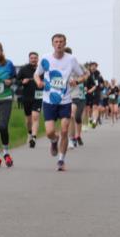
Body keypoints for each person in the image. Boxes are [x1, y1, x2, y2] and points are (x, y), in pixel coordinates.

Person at [34, 34, 85, 171]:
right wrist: (38, 81)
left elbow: (84, 75)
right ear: (52, 44)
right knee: (50, 132)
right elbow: (36, 74)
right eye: (56, 42)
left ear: (65, 43)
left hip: (65, 100)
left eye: (61, 42)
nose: (59, 44)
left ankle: (61, 160)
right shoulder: (45, 58)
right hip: (48, 100)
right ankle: (53, 141)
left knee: (64, 130)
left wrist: (77, 81)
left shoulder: (71, 59)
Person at [16, 52, 42, 147]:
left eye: (35, 58)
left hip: (38, 96)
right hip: (26, 97)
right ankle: (29, 133)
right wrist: (22, 81)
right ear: (29, 59)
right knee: (28, 120)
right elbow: (16, 81)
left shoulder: (41, 69)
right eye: (32, 58)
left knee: (35, 117)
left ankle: (34, 138)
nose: (33, 59)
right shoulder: (23, 69)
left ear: (38, 59)